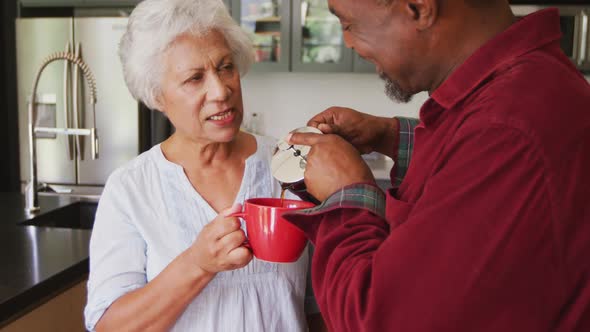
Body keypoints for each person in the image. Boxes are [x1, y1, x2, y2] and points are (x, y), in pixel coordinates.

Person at [284, 0, 590, 331]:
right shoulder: (523, 90)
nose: (348, 43)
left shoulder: (507, 130)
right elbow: (466, 163)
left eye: (349, 24)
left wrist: (346, 196)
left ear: (419, 8)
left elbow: (378, 320)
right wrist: (390, 136)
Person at [83, 0, 325, 331]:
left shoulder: (288, 165)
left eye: (226, 67)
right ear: (157, 96)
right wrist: (197, 264)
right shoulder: (131, 189)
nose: (221, 90)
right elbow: (109, 326)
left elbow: (318, 306)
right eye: (195, 78)